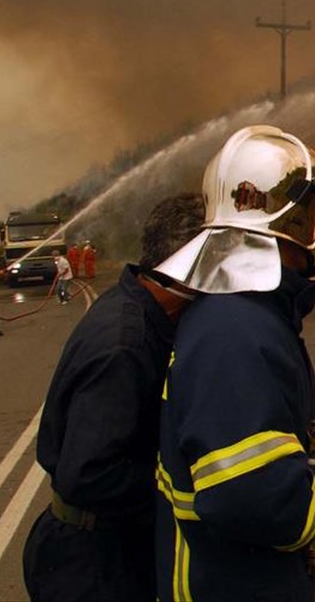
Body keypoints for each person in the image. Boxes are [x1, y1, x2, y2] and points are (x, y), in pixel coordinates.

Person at [152, 125, 315, 601]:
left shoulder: (239, 312)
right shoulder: (235, 333)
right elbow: (253, 497)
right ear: (298, 224)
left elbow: (271, 448)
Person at [22, 193, 207, 602]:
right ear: (194, 268)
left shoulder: (136, 301)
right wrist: (190, 482)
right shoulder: (124, 346)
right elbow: (89, 474)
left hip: (106, 551)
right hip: (94, 567)